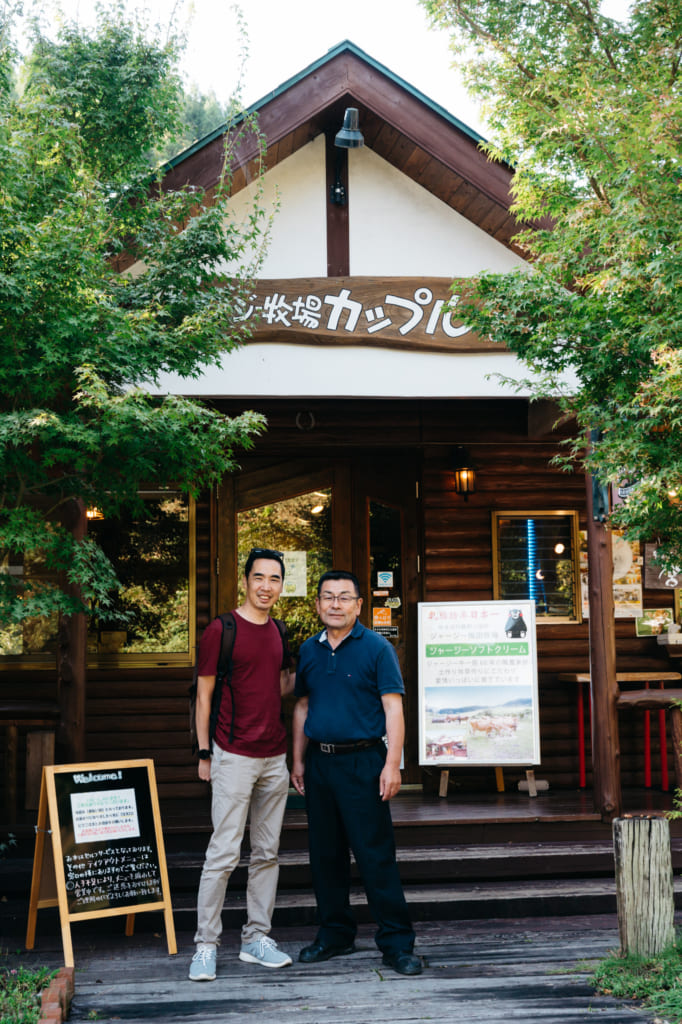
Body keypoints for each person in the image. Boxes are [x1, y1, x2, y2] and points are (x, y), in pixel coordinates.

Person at [291, 569, 422, 976]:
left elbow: (393, 710)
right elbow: (301, 707)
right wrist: (297, 760)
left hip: (365, 762)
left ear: (359, 605)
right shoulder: (309, 650)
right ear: (317, 604)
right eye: (327, 597)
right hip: (320, 764)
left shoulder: (377, 649)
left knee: (375, 856)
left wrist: (392, 764)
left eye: (344, 597)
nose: (335, 604)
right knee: (325, 856)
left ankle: (397, 943)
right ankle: (334, 935)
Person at [189, 548, 295, 981]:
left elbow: (282, 684)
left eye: (274, 579)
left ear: (281, 586)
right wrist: (203, 752)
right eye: (259, 577)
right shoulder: (222, 629)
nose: (266, 586)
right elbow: (204, 695)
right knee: (223, 854)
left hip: (275, 756)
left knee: (267, 853)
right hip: (232, 755)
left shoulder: (280, 631)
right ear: (246, 581)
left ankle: (255, 938)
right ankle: (206, 945)